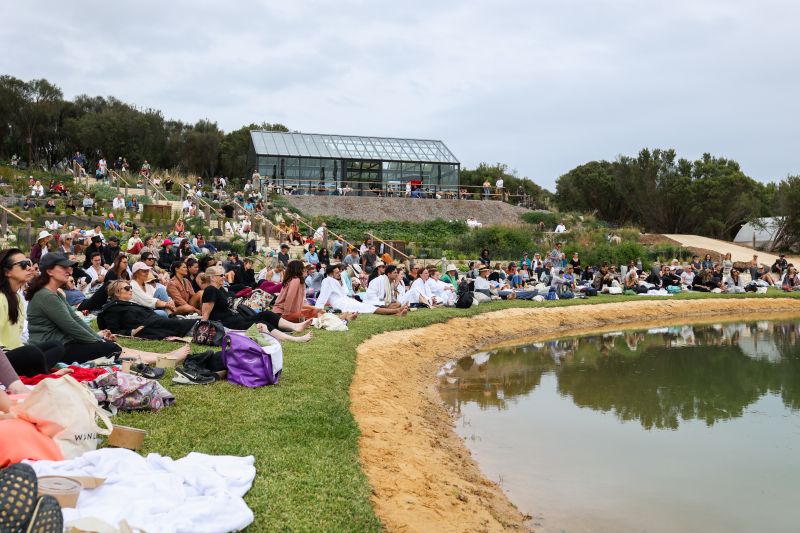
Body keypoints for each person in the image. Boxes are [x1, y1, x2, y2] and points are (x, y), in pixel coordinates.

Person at [26, 253, 185, 363]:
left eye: (69, 267)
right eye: (64, 267)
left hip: (61, 344)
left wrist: (96, 336)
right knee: (108, 348)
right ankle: (163, 358)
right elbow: (70, 325)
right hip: (50, 349)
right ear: (49, 271)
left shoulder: (56, 294)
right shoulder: (45, 295)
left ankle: (163, 356)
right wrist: (97, 339)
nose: (70, 271)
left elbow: (75, 319)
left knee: (109, 346)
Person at [0, 249, 65, 389]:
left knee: (56, 346)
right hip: (3, 357)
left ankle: (36, 370)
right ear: (7, 272)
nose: (30, 267)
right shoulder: (0, 298)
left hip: (16, 352)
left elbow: (18, 335)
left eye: (29, 263)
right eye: (23, 264)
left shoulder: (17, 298)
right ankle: (44, 374)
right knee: (31, 353)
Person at [201, 266, 312, 341]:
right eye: (220, 275)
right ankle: (296, 339)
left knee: (266, 314)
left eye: (223, 274)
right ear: (212, 277)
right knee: (261, 322)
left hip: (237, 318)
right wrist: (203, 331)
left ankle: (295, 326)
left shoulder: (220, 289)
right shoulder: (210, 290)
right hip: (228, 324)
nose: (223, 277)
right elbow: (205, 315)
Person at [98, 280, 198, 339]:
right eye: (127, 288)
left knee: (179, 324)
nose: (131, 290)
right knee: (182, 325)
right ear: (117, 293)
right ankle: (199, 328)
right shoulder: (112, 309)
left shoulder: (127, 304)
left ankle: (200, 327)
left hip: (154, 322)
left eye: (130, 287)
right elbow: (113, 330)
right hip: (149, 326)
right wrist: (131, 332)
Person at [316, 264, 407, 315]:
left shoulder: (335, 281)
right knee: (367, 308)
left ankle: (395, 312)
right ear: (331, 273)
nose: (339, 273)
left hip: (346, 300)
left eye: (339, 272)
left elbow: (343, 293)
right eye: (337, 272)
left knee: (367, 307)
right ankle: (396, 311)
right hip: (341, 304)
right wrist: (317, 310)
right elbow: (322, 297)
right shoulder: (327, 281)